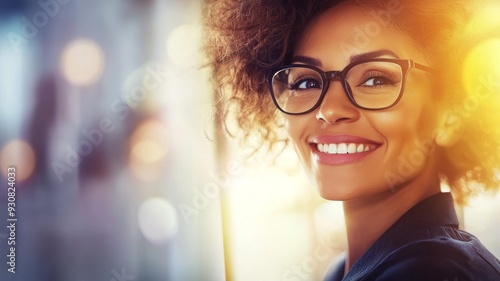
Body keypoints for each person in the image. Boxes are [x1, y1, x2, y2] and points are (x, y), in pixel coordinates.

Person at [203, 0, 500, 280]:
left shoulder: (431, 271)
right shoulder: (347, 268)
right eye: (306, 82)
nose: (329, 110)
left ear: (449, 115)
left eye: (375, 79)